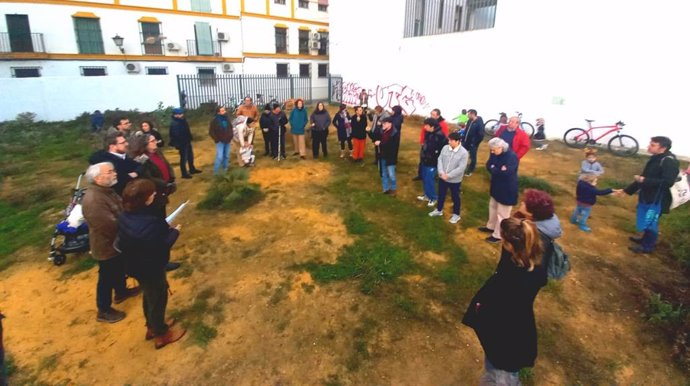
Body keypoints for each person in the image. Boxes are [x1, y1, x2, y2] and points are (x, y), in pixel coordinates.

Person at [462, 217, 547, 383]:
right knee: (495, 367)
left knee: (501, 374)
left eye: (503, 239)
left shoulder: (511, 280)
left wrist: (480, 309)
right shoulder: (533, 264)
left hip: (507, 338)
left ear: (510, 245)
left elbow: (496, 304)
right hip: (519, 326)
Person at [116, 179, 187, 349]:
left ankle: (152, 326)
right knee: (158, 297)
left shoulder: (126, 215)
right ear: (146, 199)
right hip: (150, 267)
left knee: (149, 296)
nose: (155, 195)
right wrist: (175, 232)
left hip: (135, 265)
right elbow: (161, 244)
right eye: (152, 194)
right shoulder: (147, 222)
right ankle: (161, 335)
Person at [82, 162, 140, 323]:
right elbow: (108, 226)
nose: (115, 173)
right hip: (107, 245)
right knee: (107, 276)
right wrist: (130, 232)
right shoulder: (94, 199)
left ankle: (121, 292)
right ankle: (104, 310)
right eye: (110, 171)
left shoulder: (106, 191)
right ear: (98, 178)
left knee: (119, 268)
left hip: (117, 242)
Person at [620, 136, 679, 254]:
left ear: (663, 148)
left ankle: (648, 247)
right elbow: (644, 177)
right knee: (647, 220)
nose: (648, 146)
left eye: (653, 145)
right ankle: (644, 240)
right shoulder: (655, 158)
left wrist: (644, 181)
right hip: (648, 196)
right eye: (650, 144)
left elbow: (668, 182)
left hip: (658, 199)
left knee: (652, 222)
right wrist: (627, 191)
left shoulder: (668, 161)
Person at [480, 138, 519, 244]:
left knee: (502, 214)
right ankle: (491, 226)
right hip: (496, 186)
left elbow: (507, 173)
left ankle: (499, 235)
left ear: (501, 147)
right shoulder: (495, 153)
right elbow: (489, 165)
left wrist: (494, 169)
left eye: (494, 150)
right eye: (491, 150)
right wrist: (496, 169)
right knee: (492, 207)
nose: (492, 152)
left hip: (507, 190)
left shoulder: (511, 157)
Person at [428, 131, 468, 224]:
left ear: (457, 141)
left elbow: (461, 168)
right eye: (449, 140)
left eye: (451, 140)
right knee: (441, 194)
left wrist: (448, 175)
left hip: (455, 180)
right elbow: (440, 159)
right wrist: (441, 172)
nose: (449, 142)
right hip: (443, 178)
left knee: (455, 197)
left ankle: (456, 214)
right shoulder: (445, 148)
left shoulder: (464, 153)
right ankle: (439, 210)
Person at [88, 131, 139, 196]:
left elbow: (139, 166)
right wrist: (131, 175)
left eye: (125, 141)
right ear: (112, 147)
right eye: (122, 143)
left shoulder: (123, 155)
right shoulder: (106, 162)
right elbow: (120, 180)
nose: (127, 144)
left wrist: (136, 173)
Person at [417, 118, 448, 208]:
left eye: (426, 125)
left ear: (432, 126)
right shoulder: (428, 133)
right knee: (425, 178)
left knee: (430, 179)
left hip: (433, 162)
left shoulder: (440, 136)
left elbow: (443, 151)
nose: (424, 127)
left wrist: (436, 159)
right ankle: (427, 195)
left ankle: (433, 198)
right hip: (425, 160)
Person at [415, 108, 449, 180]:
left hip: (435, 148)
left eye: (433, 115)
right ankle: (420, 174)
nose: (431, 116)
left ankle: (434, 175)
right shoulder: (429, 122)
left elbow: (444, 137)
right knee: (422, 159)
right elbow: (423, 132)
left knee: (434, 162)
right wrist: (422, 141)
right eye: (431, 114)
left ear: (438, 116)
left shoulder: (443, 124)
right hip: (426, 144)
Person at [369, 116, 400, 196]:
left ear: (390, 124)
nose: (383, 125)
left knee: (391, 174)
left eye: (385, 123)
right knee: (383, 173)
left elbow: (392, 146)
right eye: (382, 123)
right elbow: (374, 138)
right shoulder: (382, 131)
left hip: (390, 157)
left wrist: (381, 144)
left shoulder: (395, 133)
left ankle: (393, 189)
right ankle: (385, 188)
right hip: (382, 156)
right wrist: (369, 132)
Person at [169, 108, 201, 179]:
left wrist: (189, 138)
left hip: (187, 141)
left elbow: (186, 130)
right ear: (175, 115)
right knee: (184, 158)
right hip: (182, 143)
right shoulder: (174, 123)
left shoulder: (182, 121)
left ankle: (192, 169)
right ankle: (184, 173)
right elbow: (175, 135)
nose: (181, 115)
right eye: (179, 114)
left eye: (181, 113)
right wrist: (178, 144)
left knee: (190, 156)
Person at [209, 106, 233, 174]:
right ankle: (216, 172)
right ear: (218, 112)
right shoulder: (214, 120)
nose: (224, 111)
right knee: (220, 156)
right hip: (220, 141)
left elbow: (230, 128)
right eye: (222, 110)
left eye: (224, 110)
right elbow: (211, 132)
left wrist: (230, 136)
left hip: (227, 140)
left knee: (227, 155)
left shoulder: (227, 119)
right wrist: (217, 139)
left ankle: (225, 169)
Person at [462, 109, 485, 176]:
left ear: (473, 114)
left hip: (473, 144)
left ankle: (470, 171)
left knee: (472, 157)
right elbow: (466, 131)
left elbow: (481, 135)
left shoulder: (479, 122)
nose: (467, 115)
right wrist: (463, 139)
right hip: (465, 142)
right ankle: (462, 168)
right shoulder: (469, 121)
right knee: (462, 155)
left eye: (468, 114)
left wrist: (474, 143)